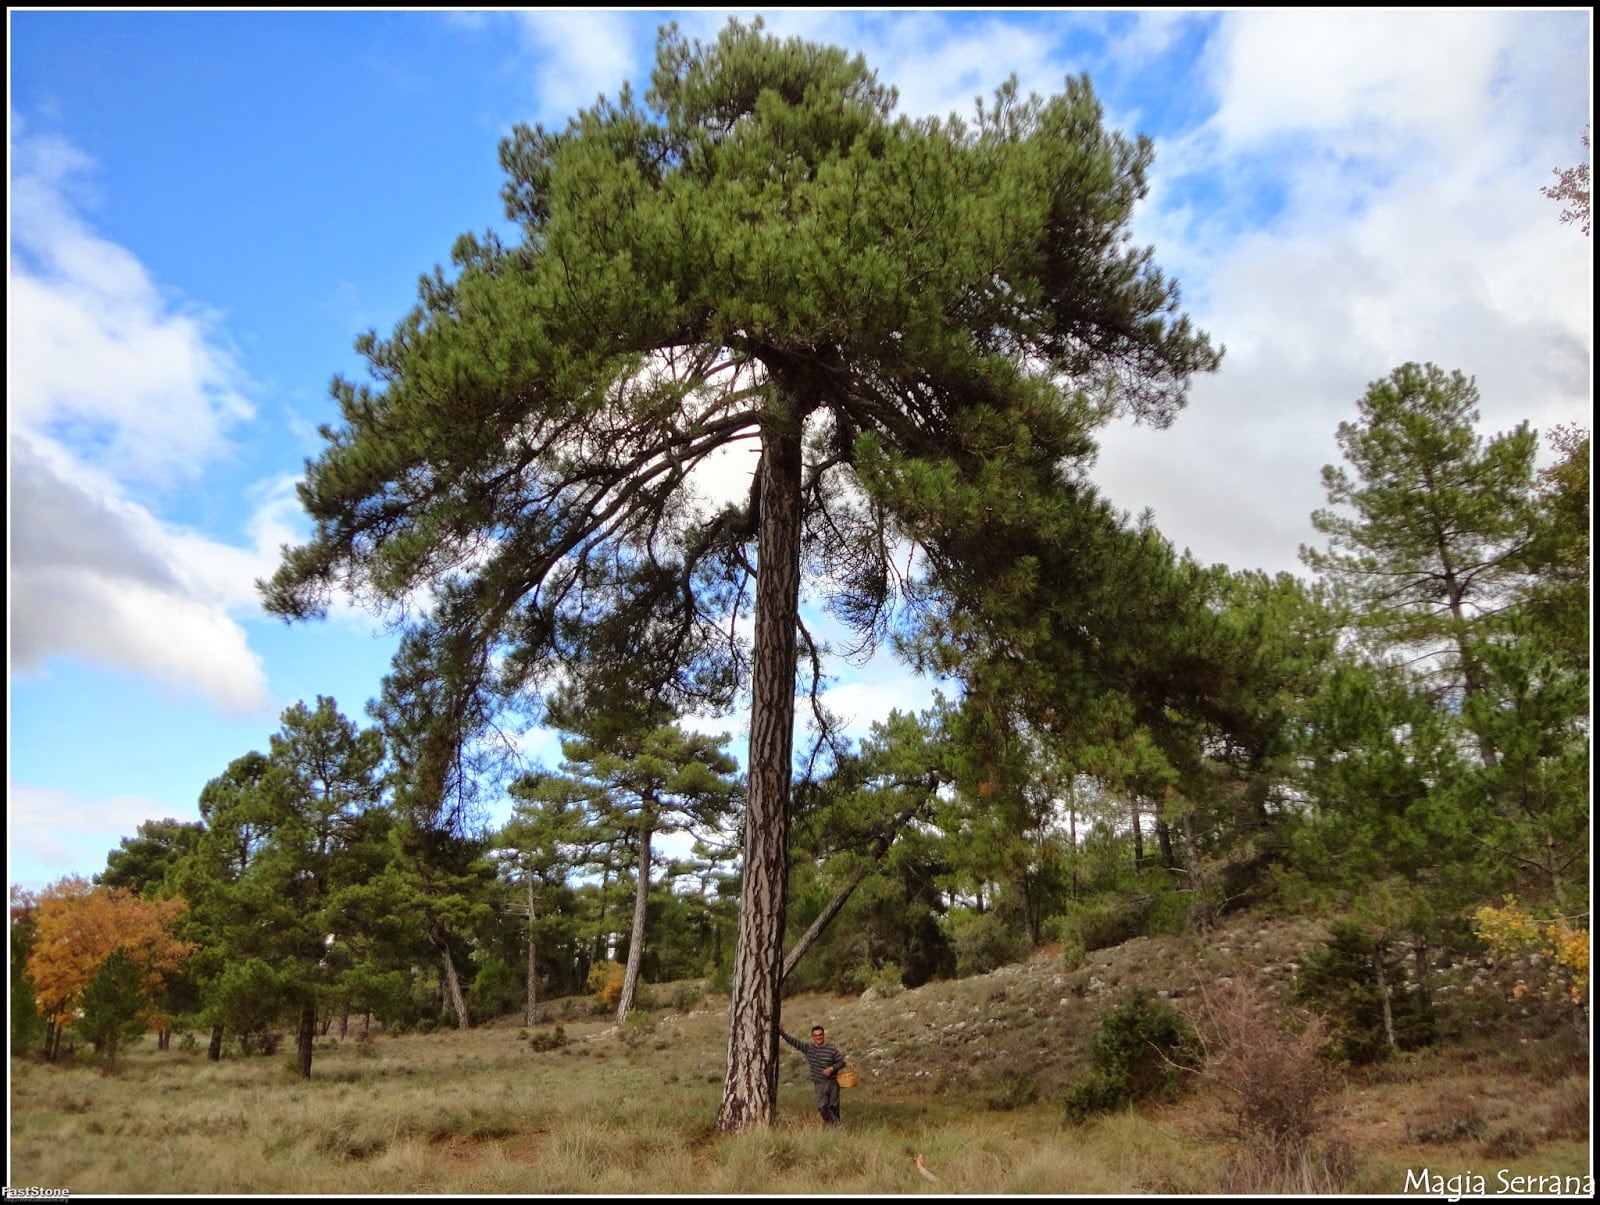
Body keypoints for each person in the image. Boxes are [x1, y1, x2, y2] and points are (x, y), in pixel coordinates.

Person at [779, 1023, 847, 1126]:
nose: (818, 1037)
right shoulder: (808, 1048)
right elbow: (794, 1042)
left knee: (834, 1108)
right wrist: (782, 1033)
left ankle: (835, 1132)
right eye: (816, 1035)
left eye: (820, 1035)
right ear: (812, 1037)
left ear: (824, 1035)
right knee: (823, 1108)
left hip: (832, 1084)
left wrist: (832, 1068)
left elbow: (842, 1063)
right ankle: (836, 1127)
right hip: (819, 1084)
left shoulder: (831, 1049)